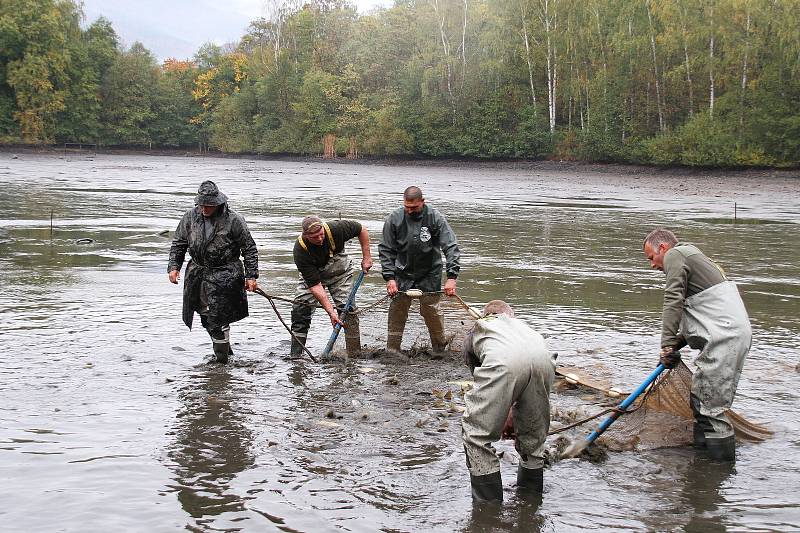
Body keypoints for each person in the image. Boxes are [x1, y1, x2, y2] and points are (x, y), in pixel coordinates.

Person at [643, 228, 751, 462]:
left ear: (663, 248)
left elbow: (673, 300)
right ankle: (702, 465)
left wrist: (666, 345)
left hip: (726, 338)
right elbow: (702, 321)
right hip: (729, 335)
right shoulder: (693, 256)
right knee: (701, 401)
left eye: (651, 258)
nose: (652, 265)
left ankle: (718, 473)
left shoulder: (675, 255)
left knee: (710, 407)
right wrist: (674, 345)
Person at [461, 300, 556, 503]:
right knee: (533, 438)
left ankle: (488, 509)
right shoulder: (524, 328)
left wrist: (501, 414)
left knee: (476, 436)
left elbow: (485, 388)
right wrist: (512, 411)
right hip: (545, 360)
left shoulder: (480, 328)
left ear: (486, 315)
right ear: (510, 316)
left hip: (503, 362)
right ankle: (530, 500)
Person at [168, 180, 259, 363]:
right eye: (201, 204)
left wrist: (251, 275)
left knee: (219, 316)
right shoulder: (189, 217)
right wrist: (174, 267)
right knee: (205, 317)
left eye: (209, 205)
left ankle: (221, 361)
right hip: (198, 273)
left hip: (225, 274)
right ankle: (225, 351)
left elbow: (249, 248)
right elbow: (179, 243)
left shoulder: (234, 220)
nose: (205, 208)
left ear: (218, 203)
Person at [378, 186, 460, 353]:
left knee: (431, 310)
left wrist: (452, 276)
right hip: (402, 272)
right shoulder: (394, 219)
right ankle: (392, 349)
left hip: (430, 272)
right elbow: (386, 249)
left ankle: (439, 348)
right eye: (406, 207)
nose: (409, 211)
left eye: (414, 208)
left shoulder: (435, 218)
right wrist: (390, 278)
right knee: (397, 311)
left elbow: (450, 246)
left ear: (422, 202)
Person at [290, 215, 372, 357]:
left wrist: (367, 257)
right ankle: (296, 356)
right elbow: (315, 286)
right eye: (315, 237)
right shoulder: (300, 250)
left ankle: (354, 354)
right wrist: (331, 313)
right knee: (300, 309)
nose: (320, 239)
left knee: (348, 311)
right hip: (312, 277)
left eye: (321, 234)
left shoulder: (336, 229)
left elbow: (361, 229)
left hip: (339, 272)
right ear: (306, 236)